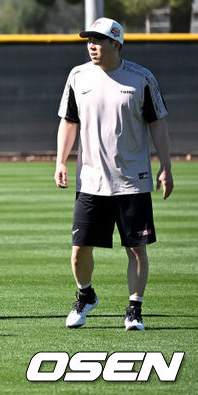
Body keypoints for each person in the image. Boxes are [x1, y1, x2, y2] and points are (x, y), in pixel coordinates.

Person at [55, 17, 173, 331]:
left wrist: (166, 167)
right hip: (91, 180)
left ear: (116, 43)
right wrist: (60, 162)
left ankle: (134, 308)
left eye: (99, 40)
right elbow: (69, 121)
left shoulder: (140, 78)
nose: (92, 45)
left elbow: (157, 124)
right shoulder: (78, 76)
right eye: (89, 40)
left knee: (136, 249)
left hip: (132, 180)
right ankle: (85, 295)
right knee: (79, 251)